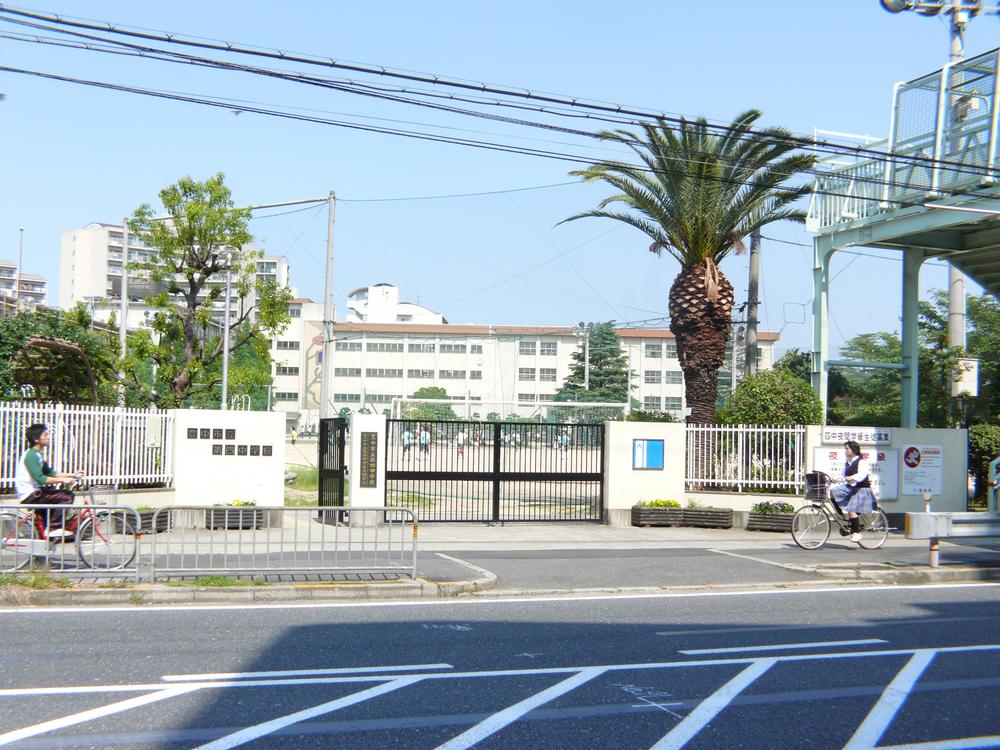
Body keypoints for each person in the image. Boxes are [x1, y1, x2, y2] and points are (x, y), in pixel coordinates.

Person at [15, 424, 84, 531]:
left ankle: (44, 533)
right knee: (67, 496)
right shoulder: (32, 455)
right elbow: (42, 479)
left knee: (55, 498)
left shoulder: (37, 454)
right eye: (45, 435)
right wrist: (63, 480)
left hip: (36, 492)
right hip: (31, 494)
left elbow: (51, 473)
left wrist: (73, 474)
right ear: (36, 439)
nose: (48, 437)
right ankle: (53, 529)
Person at [831, 440, 877, 543]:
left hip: (862, 488)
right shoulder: (847, 463)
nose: (845, 451)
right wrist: (833, 478)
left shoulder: (861, 462)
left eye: (847, 449)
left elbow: (861, 476)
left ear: (854, 450)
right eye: (845, 449)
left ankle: (857, 533)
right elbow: (843, 475)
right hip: (851, 488)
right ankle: (841, 516)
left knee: (851, 509)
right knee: (833, 492)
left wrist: (851, 477)